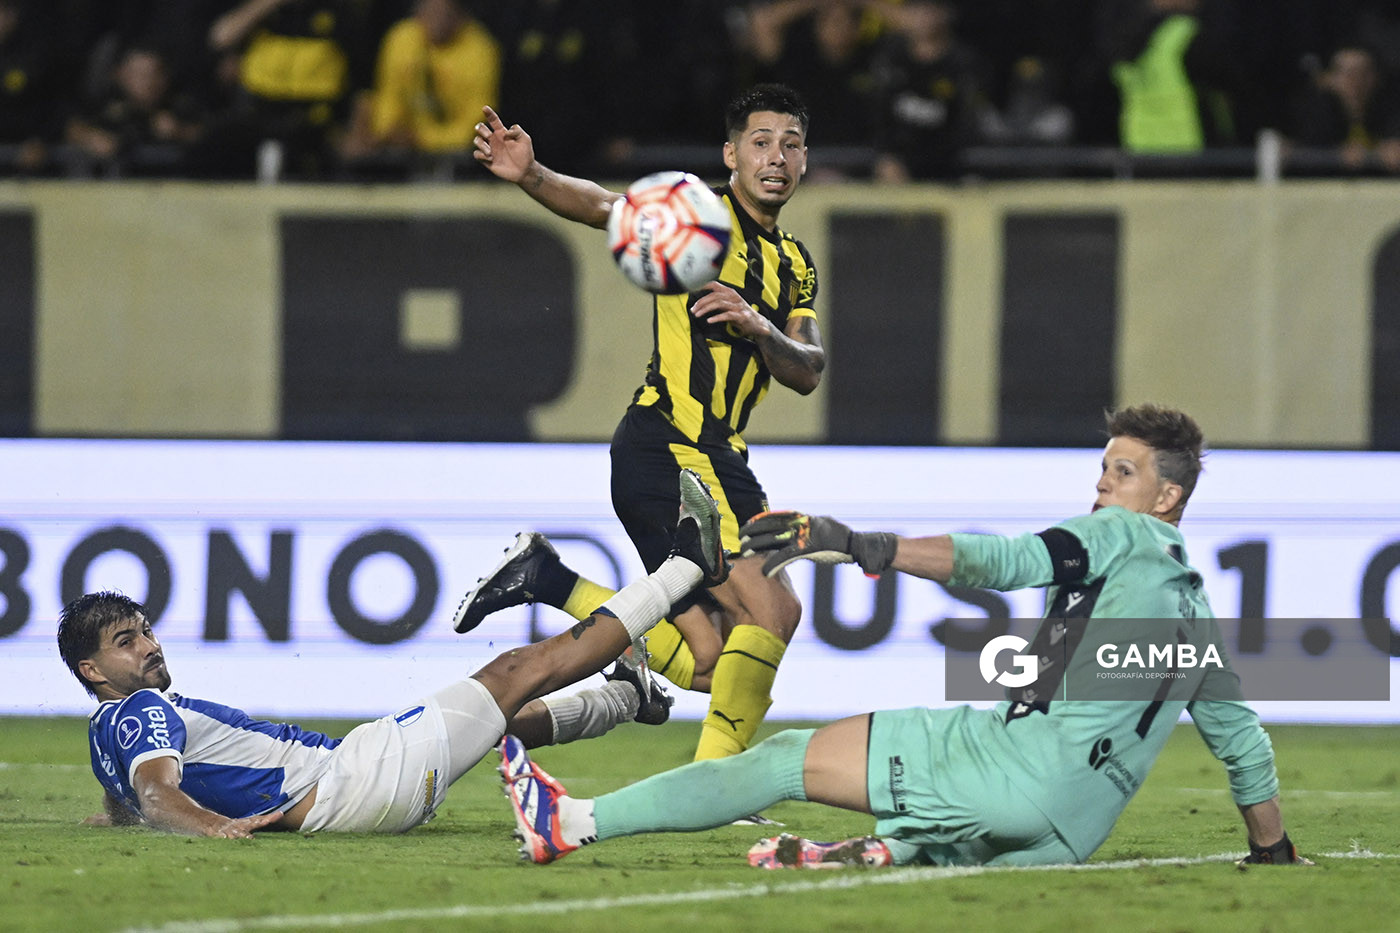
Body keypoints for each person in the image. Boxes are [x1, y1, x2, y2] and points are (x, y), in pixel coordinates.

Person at [498, 404, 1312, 869]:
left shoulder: (1116, 539)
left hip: (1006, 766)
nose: (1102, 481)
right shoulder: (1195, 614)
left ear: (1166, 499)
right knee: (955, 808)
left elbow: (1005, 558)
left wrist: (863, 545)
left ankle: (572, 823)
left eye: (1122, 472)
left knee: (783, 757)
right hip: (1072, 832)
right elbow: (1241, 743)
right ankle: (892, 850)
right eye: (1103, 465)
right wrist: (1271, 852)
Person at [466, 83, 826, 768]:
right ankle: (714, 782)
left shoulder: (797, 265)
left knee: (711, 660)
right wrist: (533, 175)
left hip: (722, 462)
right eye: (760, 141)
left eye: (791, 143)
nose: (776, 156)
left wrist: (755, 325)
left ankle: (549, 580)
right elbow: (608, 207)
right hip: (670, 447)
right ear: (731, 154)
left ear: (805, 160)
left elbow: (807, 366)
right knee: (775, 613)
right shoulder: (699, 216)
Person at [59, 470, 725, 838]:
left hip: (351, 792)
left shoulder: (106, 730)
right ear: (91, 670)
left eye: (145, 630)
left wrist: (114, 813)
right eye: (126, 641)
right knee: (519, 670)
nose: (149, 646)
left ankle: (627, 696)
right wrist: (211, 828)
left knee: (499, 718)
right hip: (353, 781)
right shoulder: (142, 707)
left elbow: (133, 783)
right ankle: (686, 567)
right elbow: (156, 788)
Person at [341, 0, 500, 162]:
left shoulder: (480, 49)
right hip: (402, 143)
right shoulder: (402, 38)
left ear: (460, 16)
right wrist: (387, 130)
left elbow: (476, 120)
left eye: (444, 12)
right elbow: (389, 98)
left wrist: (424, 140)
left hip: (457, 152)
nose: (436, 20)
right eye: (429, 11)